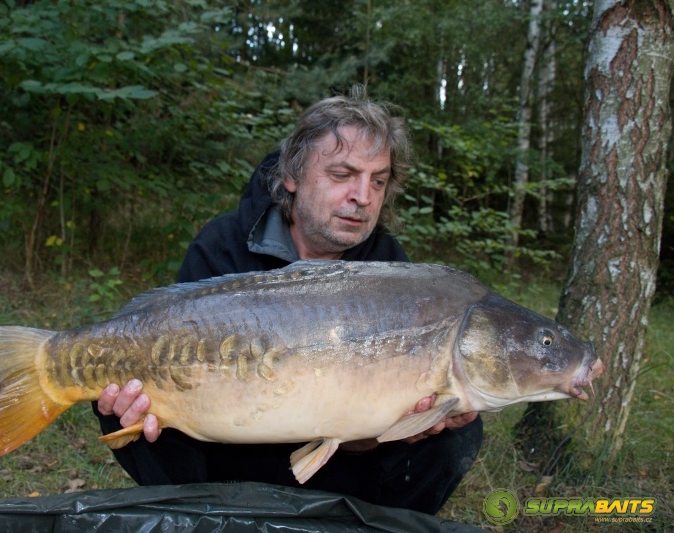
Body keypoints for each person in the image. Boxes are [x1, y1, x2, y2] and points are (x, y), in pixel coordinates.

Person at [93, 89, 483, 515]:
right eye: (343, 174)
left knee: (455, 431)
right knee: (118, 395)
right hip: (227, 452)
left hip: (341, 467)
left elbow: (369, 422)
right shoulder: (222, 245)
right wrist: (145, 400)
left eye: (378, 180)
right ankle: (204, 516)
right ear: (292, 175)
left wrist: (404, 427)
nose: (363, 197)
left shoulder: (389, 269)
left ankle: (360, 524)